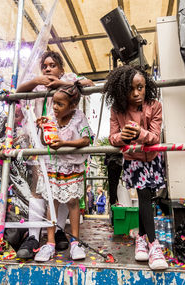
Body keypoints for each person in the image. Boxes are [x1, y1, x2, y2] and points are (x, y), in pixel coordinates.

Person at [16, 51, 94, 259]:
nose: (48, 69)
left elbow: (89, 84)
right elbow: (18, 91)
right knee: (41, 191)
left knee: (67, 196)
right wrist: (36, 80)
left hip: (66, 154)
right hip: (44, 146)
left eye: (53, 65)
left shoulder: (68, 81)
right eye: (45, 66)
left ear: (61, 68)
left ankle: (61, 232)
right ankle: (36, 236)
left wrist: (61, 84)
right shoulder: (39, 85)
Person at [104, 65, 168, 270]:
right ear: (121, 91)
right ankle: (153, 244)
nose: (136, 93)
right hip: (134, 160)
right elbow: (112, 137)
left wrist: (139, 132)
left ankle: (140, 238)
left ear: (146, 86)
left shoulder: (155, 105)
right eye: (130, 89)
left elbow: (155, 137)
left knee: (146, 197)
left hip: (153, 159)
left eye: (140, 88)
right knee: (144, 196)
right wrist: (121, 136)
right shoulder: (117, 110)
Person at [34, 84, 94, 262]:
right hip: (53, 166)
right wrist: (42, 129)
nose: (55, 107)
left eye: (60, 104)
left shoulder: (79, 117)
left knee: (73, 202)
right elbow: (46, 143)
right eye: (54, 103)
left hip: (72, 167)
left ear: (72, 106)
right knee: (51, 203)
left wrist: (63, 144)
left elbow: (86, 140)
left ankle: (75, 243)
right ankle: (50, 243)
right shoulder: (51, 118)